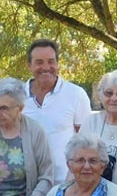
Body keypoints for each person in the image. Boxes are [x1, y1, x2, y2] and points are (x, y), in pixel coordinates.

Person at [21, 39, 92, 184]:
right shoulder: (16, 96)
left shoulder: (76, 94)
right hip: (24, 181)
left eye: (51, 61)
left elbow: (86, 142)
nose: (46, 67)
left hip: (64, 181)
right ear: (29, 65)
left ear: (57, 63)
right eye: (39, 62)